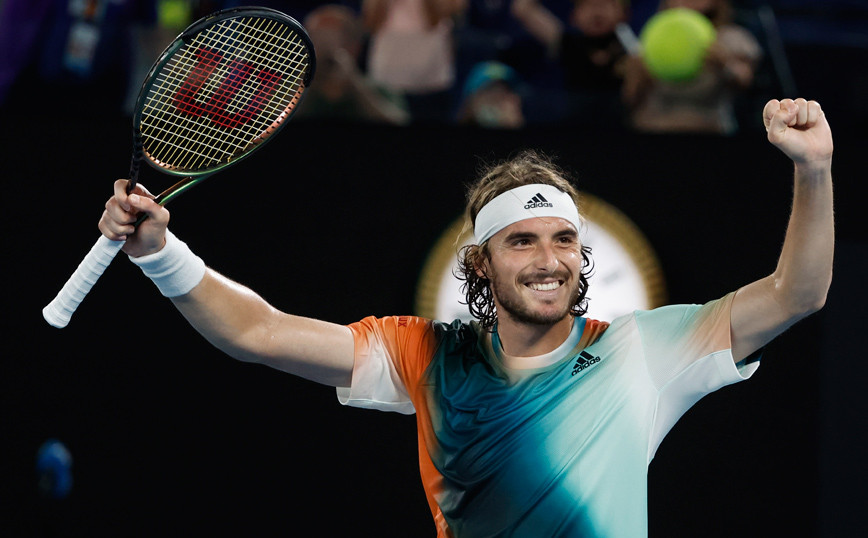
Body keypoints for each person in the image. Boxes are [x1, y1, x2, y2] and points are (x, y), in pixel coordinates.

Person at [98, 97, 833, 537]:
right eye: (522, 241)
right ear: (481, 263)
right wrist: (161, 253)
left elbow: (795, 294)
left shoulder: (641, 351)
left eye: (564, 240)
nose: (549, 260)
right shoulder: (427, 355)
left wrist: (814, 169)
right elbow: (257, 331)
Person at [622, 0, 763, 134]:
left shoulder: (731, 38)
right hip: (653, 131)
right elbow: (631, 98)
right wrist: (639, 73)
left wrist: (724, 64)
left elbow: (746, 82)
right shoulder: (652, 37)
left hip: (710, 132)